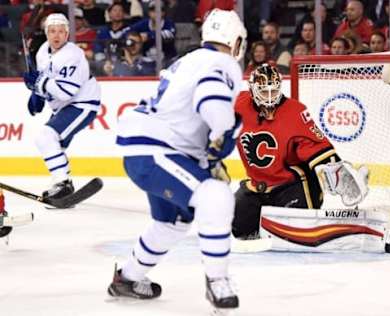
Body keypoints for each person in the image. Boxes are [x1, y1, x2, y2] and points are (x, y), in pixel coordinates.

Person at [108, 8, 247, 312]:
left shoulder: (189, 59)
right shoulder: (221, 62)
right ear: (236, 41)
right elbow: (210, 96)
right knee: (216, 196)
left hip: (148, 150)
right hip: (160, 149)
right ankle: (218, 282)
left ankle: (127, 278)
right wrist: (224, 130)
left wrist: (211, 148)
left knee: (170, 223)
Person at [232, 63, 369, 240]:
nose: (269, 98)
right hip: (257, 186)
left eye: (274, 91)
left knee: (295, 230)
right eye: (264, 92)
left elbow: (316, 147)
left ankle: (303, 219)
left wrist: (338, 173)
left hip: (291, 186)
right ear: (252, 90)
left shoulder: (295, 111)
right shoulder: (237, 105)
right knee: (239, 230)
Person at [23, 13, 101, 201]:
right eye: (52, 31)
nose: (56, 36)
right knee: (52, 144)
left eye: (61, 31)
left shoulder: (73, 54)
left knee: (45, 137)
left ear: (67, 34)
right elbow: (46, 79)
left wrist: (39, 84)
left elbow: (66, 92)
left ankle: (63, 183)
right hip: (64, 107)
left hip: (82, 104)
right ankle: (63, 184)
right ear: (46, 33)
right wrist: (37, 94)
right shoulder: (43, 51)